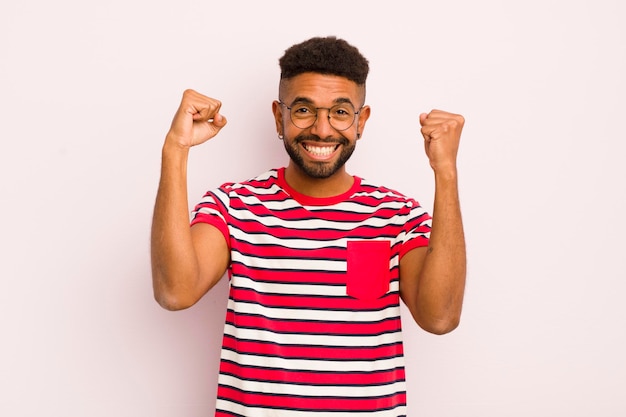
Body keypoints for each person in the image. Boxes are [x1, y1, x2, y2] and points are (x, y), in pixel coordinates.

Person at [151, 36, 466, 417]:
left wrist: (445, 172)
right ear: (278, 117)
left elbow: (440, 317)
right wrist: (175, 149)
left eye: (340, 112)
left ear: (360, 121)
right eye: (303, 110)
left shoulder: (397, 217)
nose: (321, 129)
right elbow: (174, 292)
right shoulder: (234, 206)